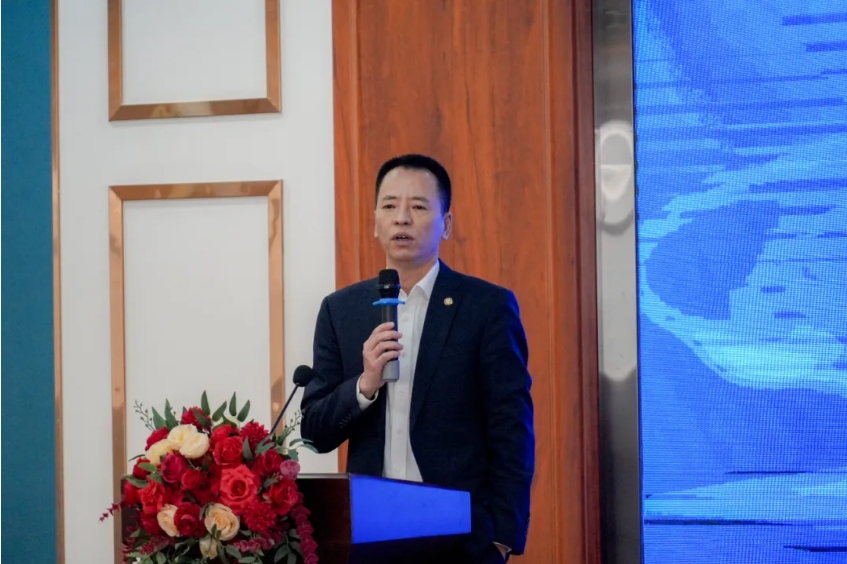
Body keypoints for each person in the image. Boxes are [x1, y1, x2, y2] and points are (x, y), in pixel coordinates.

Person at [300, 154, 535, 563]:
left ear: (446, 224)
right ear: (375, 221)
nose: (402, 218)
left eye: (419, 206)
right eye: (390, 205)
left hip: (460, 537)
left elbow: (512, 429)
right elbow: (315, 433)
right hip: (367, 534)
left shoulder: (486, 307)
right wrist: (364, 386)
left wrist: (501, 537)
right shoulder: (341, 310)